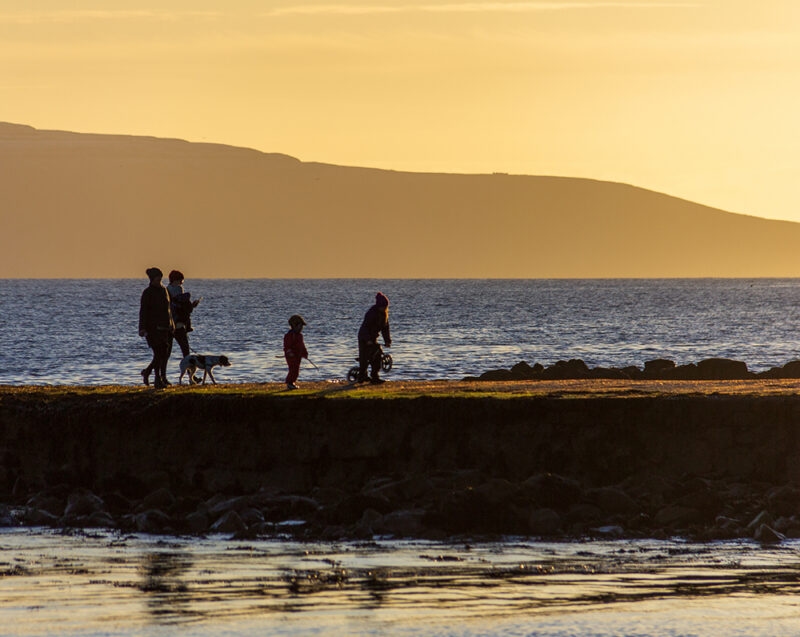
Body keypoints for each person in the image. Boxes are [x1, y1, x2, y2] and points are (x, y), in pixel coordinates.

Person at [139, 267, 175, 389]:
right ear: (152, 279)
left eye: (160, 278)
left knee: (163, 353)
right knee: (159, 353)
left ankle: (149, 372)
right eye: (157, 278)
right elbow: (143, 311)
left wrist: (172, 324)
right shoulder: (147, 292)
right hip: (152, 328)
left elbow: (169, 309)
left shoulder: (164, 290)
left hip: (165, 327)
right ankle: (157, 378)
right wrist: (142, 328)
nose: (159, 280)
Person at [357, 292, 391, 383]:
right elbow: (365, 327)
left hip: (373, 338)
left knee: (377, 357)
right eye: (383, 307)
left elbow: (385, 329)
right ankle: (362, 376)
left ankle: (375, 376)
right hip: (364, 337)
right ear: (379, 306)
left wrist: (387, 340)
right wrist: (367, 340)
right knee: (365, 357)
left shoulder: (384, 315)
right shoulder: (371, 313)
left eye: (386, 307)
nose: (385, 308)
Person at [166, 270, 200, 359]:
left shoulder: (166, 290)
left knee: (166, 352)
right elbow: (184, 308)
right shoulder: (179, 289)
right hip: (179, 325)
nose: (182, 283)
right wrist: (192, 305)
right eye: (181, 280)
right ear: (176, 280)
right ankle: (189, 372)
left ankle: (160, 372)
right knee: (185, 351)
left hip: (168, 325)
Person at [283, 314, 309, 390]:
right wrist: (289, 352)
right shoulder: (290, 335)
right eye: (300, 326)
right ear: (294, 326)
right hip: (291, 356)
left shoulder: (300, 336)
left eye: (302, 326)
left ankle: (292, 382)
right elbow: (287, 346)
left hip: (298, 356)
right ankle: (289, 383)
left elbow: (302, 346)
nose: (301, 328)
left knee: (296, 370)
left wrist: (305, 353)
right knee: (293, 369)